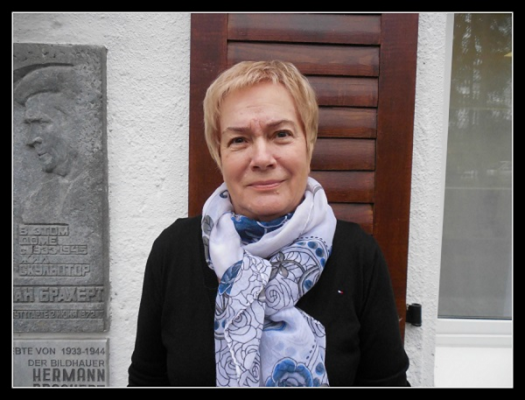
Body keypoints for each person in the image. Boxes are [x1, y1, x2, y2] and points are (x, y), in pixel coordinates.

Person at [128, 60, 410, 387]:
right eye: (239, 140)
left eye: (281, 134)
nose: (262, 158)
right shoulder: (174, 251)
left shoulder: (358, 255)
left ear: (309, 143)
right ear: (219, 154)